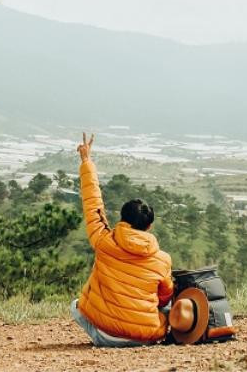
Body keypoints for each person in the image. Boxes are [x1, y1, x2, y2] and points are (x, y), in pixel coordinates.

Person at [71, 132, 174, 347]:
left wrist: (86, 161)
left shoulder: (103, 241)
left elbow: (93, 205)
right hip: (146, 337)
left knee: (76, 305)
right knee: (167, 302)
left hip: (105, 336)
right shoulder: (162, 259)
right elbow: (164, 298)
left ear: (123, 219)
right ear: (149, 226)